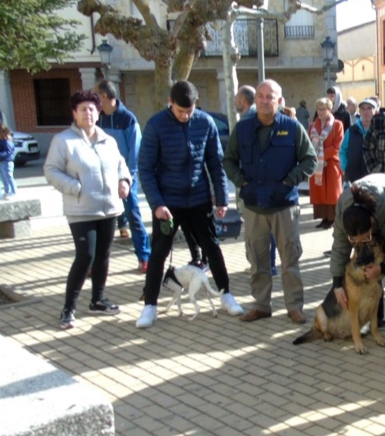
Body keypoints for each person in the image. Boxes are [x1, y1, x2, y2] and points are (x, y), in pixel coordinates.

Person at [136, 80, 243, 328]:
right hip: (168, 203)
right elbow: (146, 169)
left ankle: (226, 294)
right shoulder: (155, 125)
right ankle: (150, 306)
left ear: (196, 105)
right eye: (180, 111)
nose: (185, 116)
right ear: (170, 103)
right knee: (159, 254)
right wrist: (157, 203)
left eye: (189, 111)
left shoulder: (205, 123)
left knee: (212, 247)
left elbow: (215, 162)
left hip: (198, 199)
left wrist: (221, 196)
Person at [223, 79, 317, 324]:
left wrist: (289, 181)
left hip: (284, 206)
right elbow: (229, 160)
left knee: (290, 259)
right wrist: (242, 183)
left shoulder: (292, 127)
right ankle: (261, 305)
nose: (265, 101)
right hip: (254, 207)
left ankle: (294, 307)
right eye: (261, 96)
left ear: (279, 100)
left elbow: (310, 160)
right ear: (255, 100)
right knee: (257, 260)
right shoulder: (242, 129)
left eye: (270, 96)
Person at [44, 90, 132, 329]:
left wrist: (124, 180)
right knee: (85, 256)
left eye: (92, 109)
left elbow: (121, 165)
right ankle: (68, 309)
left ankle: (98, 300)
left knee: (103, 256)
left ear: (98, 111)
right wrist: (75, 187)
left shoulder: (108, 140)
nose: (88, 113)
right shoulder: (63, 141)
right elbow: (51, 170)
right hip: (81, 210)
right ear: (74, 113)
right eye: (82, 109)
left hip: (109, 208)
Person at [330, 174, 385, 347]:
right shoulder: (344, 210)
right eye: (356, 241)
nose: (362, 243)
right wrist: (337, 283)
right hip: (381, 231)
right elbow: (340, 247)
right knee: (367, 274)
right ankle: (378, 319)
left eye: (366, 238)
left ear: (372, 221)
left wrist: (384, 267)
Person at [94, 79, 151, 274]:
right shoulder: (97, 119)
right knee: (97, 222)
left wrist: (127, 180)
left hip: (124, 178)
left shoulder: (128, 119)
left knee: (133, 216)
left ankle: (144, 257)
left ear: (104, 96)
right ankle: (95, 262)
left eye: (96, 96)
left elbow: (135, 153)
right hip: (100, 178)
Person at [309, 97, 344, 229]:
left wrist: (323, 154)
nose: (320, 112)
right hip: (317, 164)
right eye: (318, 109)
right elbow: (308, 143)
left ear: (329, 109)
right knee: (319, 192)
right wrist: (316, 156)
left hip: (331, 163)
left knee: (332, 192)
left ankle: (333, 219)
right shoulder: (312, 126)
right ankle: (324, 218)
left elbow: (338, 145)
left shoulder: (337, 125)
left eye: (323, 109)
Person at [340, 98, 376, 184]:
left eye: (369, 108)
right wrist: (346, 168)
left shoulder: (379, 130)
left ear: (375, 111)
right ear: (359, 111)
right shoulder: (351, 131)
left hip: (373, 177)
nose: (366, 112)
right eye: (363, 108)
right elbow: (343, 151)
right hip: (353, 178)